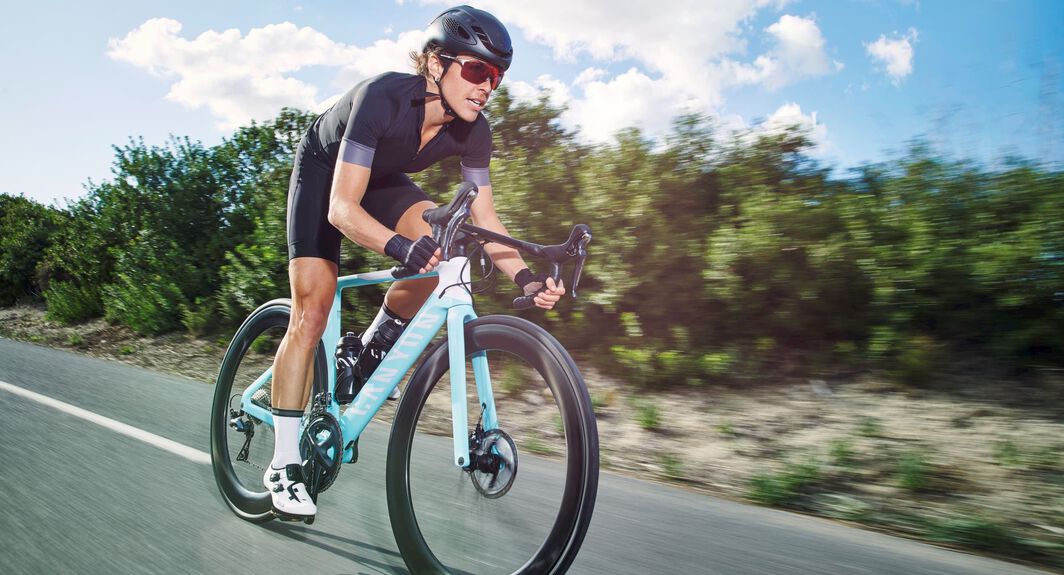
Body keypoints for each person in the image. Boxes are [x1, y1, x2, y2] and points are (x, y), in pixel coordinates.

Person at [263, 5, 566, 521]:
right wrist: (400, 248)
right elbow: (342, 209)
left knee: (448, 246)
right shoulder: (382, 97)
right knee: (311, 310)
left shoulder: (474, 130)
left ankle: (365, 349)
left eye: (495, 77)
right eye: (475, 70)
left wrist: (527, 275)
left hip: (383, 181)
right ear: (434, 63)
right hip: (325, 173)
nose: (486, 86)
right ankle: (283, 463)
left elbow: (487, 218)